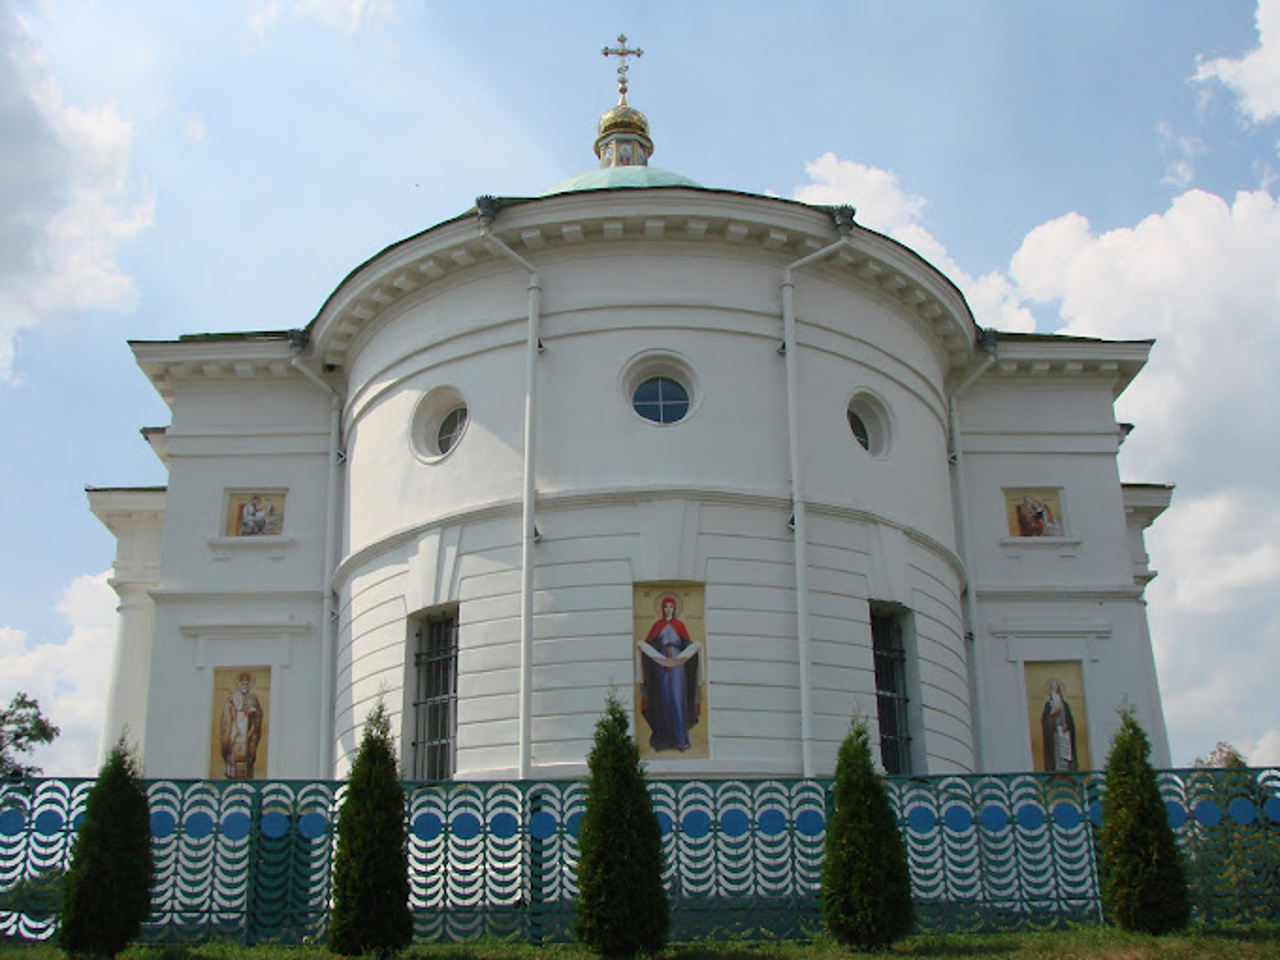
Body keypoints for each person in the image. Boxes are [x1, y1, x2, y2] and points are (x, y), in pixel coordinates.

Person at [637, 596, 701, 751]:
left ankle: (681, 739)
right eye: (666, 607)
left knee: (678, 700)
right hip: (660, 668)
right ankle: (663, 740)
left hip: (678, 669)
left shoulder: (680, 625)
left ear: (675, 609)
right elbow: (648, 645)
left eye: (671, 607)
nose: (668, 610)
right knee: (663, 700)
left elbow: (689, 646)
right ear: (662, 609)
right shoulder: (657, 626)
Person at [220, 671, 263, 778]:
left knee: (246, 754)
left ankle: (246, 777)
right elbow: (225, 717)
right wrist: (231, 711)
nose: (245, 685)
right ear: (239, 684)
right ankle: (232, 775)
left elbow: (259, 714)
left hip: (247, 727)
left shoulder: (253, 697)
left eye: (247, 683)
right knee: (233, 753)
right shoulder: (233, 697)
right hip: (235, 728)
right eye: (243, 683)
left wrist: (253, 714)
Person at [1040, 678, 1077, 771]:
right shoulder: (1048, 705)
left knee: (1065, 754)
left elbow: (1070, 721)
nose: (1054, 690)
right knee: (1055, 754)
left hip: (1064, 735)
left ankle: (1068, 772)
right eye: (1052, 688)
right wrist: (1052, 715)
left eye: (1056, 688)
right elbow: (1044, 721)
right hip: (1054, 736)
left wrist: (1067, 727)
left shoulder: (1064, 705)